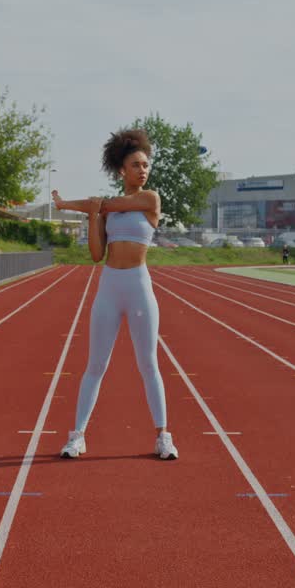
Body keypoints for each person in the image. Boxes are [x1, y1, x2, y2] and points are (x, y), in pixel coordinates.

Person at [50, 128, 177, 460]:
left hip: (138, 285)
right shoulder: (105, 210)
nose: (143, 170)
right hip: (109, 286)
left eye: (146, 164)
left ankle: (163, 436)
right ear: (122, 169)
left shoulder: (150, 200)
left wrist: (69, 204)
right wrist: (92, 215)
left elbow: (109, 203)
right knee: (95, 364)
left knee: (148, 363)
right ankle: (77, 436)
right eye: (136, 165)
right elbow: (95, 254)